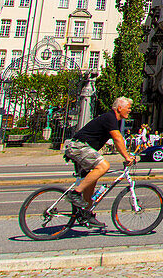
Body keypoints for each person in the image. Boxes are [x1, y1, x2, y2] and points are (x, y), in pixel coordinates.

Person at [63, 97, 136, 228]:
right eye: (128, 107)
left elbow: (117, 141)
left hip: (81, 148)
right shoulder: (110, 117)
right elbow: (117, 138)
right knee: (104, 166)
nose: (130, 110)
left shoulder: (114, 120)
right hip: (79, 147)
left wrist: (127, 155)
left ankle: (86, 214)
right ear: (120, 108)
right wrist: (127, 157)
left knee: (91, 181)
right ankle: (75, 193)